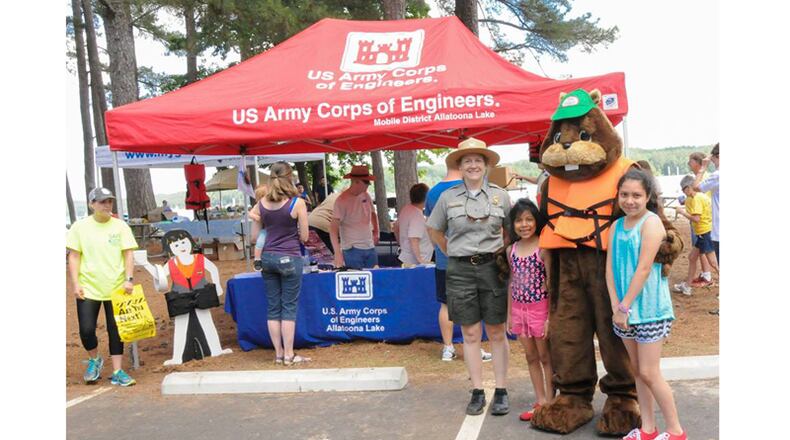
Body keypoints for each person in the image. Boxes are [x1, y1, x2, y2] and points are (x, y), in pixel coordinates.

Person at [426, 137, 512, 416]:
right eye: (467, 161)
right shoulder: (447, 197)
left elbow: (511, 232)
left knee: (497, 331)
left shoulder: (502, 196)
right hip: (460, 269)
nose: (473, 165)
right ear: (459, 166)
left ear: (486, 165)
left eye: (478, 160)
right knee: (471, 332)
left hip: (493, 267)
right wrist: (450, 250)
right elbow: (434, 229)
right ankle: (477, 391)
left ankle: (501, 390)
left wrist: (502, 254)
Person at [607, 169, 686, 440]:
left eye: (637, 195)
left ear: (648, 196)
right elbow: (609, 269)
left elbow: (643, 269)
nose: (630, 200)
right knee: (637, 372)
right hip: (624, 312)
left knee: (650, 372)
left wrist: (624, 306)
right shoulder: (616, 226)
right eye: (625, 194)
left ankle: (675, 431)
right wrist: (615, 305)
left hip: (649, 309)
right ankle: (648, 429)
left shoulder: (652, 223)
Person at [66, 187, 138, 386]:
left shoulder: (120, 226)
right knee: (86, 330)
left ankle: (117, 370)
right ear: (91, 204)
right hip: (88, 287)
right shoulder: (79, 227)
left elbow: (128, 254)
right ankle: (94, 359)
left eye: (109, 201)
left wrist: (129, 279)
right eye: (102, 202)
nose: (107, 205)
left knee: (116, 330)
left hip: (116, 287)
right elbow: (74, 256)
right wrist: (75, 283)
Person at [425, 163, 493, 363]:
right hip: (471, 256)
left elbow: (430, 227)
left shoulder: (432, 192)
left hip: (443, 258)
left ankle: (448, 348)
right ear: (461, 165)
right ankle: (475, 347)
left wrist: (441, 248)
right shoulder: (473, 185)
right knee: (473, 302)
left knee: (445, 304)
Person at [249, 162, 311, 365]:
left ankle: (278, 354)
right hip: (290, 258)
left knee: (273, 308)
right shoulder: (297, 203)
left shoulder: (261, 204)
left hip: (267, 258)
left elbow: (254, 237)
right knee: (289, 308)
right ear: (290, 177)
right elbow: (304, 236)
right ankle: (289, 355)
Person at [505, 198, 554, 422]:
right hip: (518, 310)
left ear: (536, 222)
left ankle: (551, 402)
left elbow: (551, 285)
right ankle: (540, 399)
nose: (524, 225)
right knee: (530, 356)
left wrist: (549, 318)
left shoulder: (543, 249)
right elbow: (512, 282)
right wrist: (509, 314)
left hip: (540, 310)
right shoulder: (511, 250)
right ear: (512, 224)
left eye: (529, 219)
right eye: (519, 221)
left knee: (545, 356)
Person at [673, 175, 718, 296]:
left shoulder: (697, 198)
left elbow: (696, 218)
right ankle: (687, 286)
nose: (683, 192)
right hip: (701, 233)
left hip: (705, 233)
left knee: (714, 263)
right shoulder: (692, 198)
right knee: (692, 258)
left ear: (688, 187)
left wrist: (682, 212)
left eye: (683, 189)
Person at [330, 165, 380, 269]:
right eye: (366, 182)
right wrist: (337, 253)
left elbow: (373, 213)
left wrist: (376, 231)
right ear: (356, 181)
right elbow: (333, 230)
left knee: (375, 281)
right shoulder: (341, 200)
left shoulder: (366, 195)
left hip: (370, 246)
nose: (368, 185)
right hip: (352, 249)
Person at [394, 183, 434, 265]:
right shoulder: (417, 216)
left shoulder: (406, 209)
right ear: (426, 198)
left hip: (405, 258)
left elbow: (396, 227)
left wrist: (402, 244)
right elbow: (414, 239)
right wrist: (420, 260)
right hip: (414, 263)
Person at [249, 183, 269, 271]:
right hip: (264, 229)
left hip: (272, 228)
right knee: (260, 241)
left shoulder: (272, 204)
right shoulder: (258, 205)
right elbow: (250, 213)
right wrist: (256, 217)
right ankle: (257, 259)